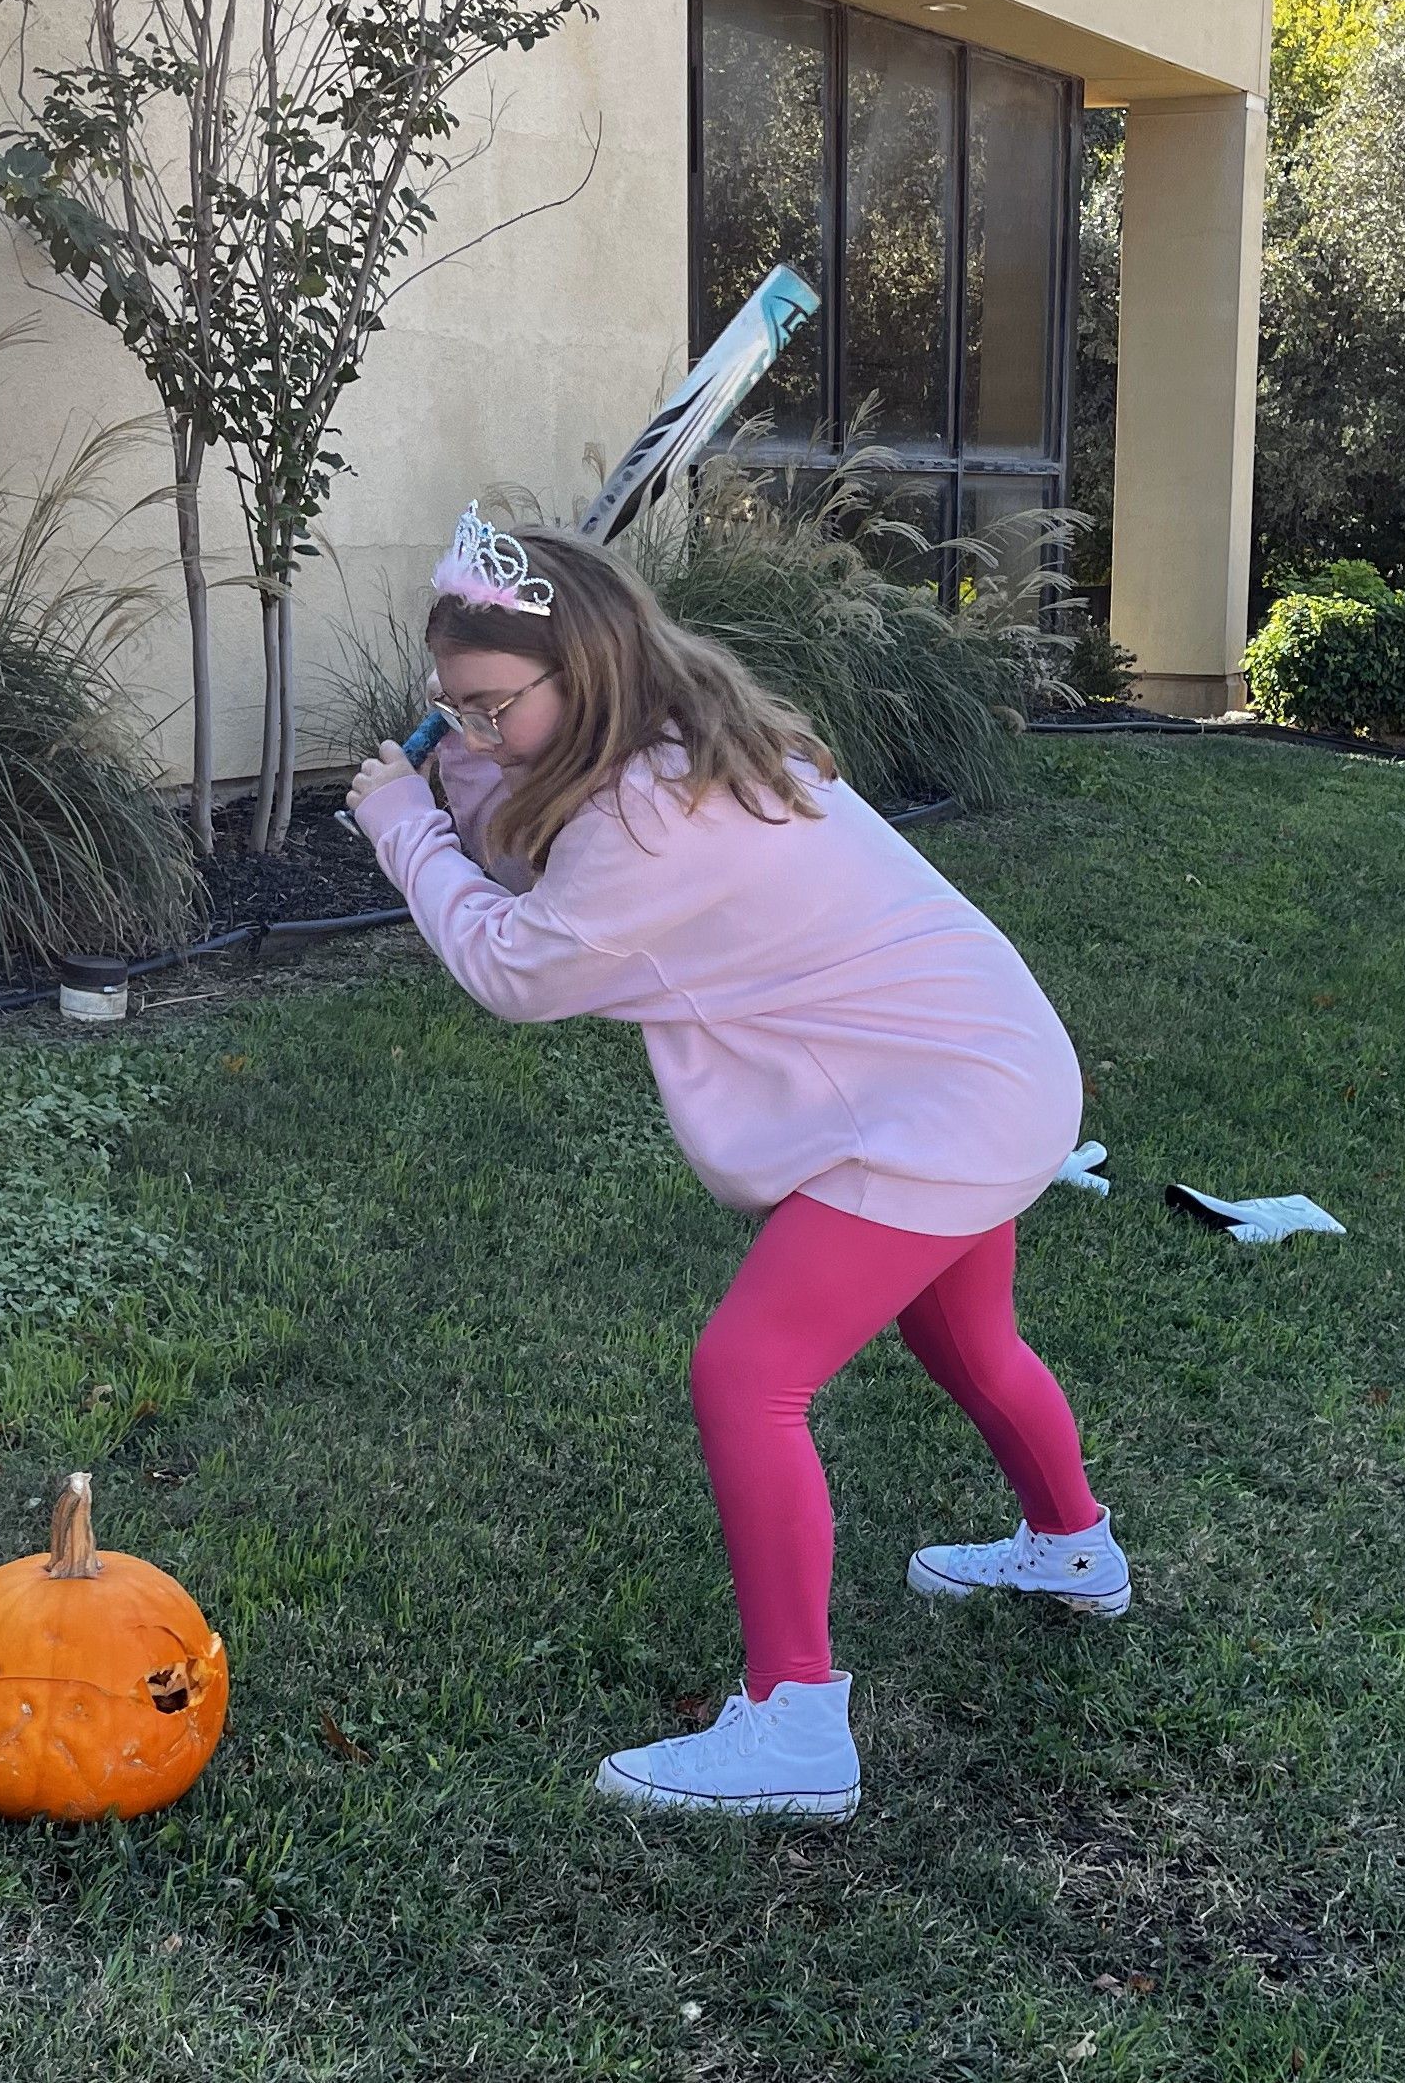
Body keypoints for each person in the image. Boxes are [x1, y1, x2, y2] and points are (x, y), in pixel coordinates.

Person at [345, 503, 1131, 1825]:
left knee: (747, 1372)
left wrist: (399, 826)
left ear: (581, 672)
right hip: (983, 1068)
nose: (471, 730)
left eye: (491, 706)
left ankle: (796, 1727)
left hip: (942, 1105)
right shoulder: (660, 743)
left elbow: (517, 964)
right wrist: (465, 785)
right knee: (963, 1341)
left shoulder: (655, 817)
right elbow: (537, 852)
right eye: (454, 710)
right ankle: (1073, 1548)